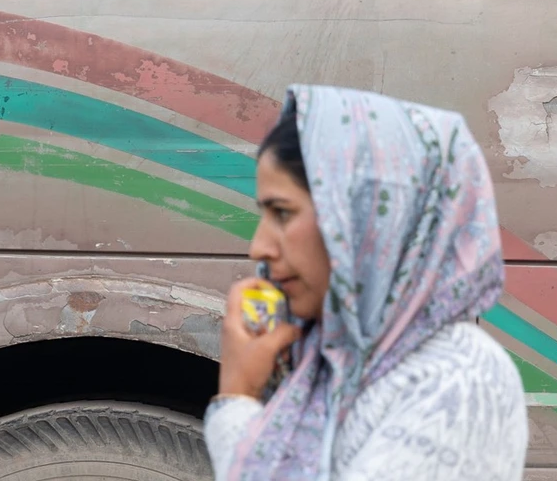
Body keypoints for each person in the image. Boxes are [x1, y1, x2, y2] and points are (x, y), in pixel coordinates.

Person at [206, 86, 526, 480]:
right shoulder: (330, 354)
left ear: (366, 220)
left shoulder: (457, 379)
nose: (259, 248)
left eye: (283, 214)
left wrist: (236, 399)